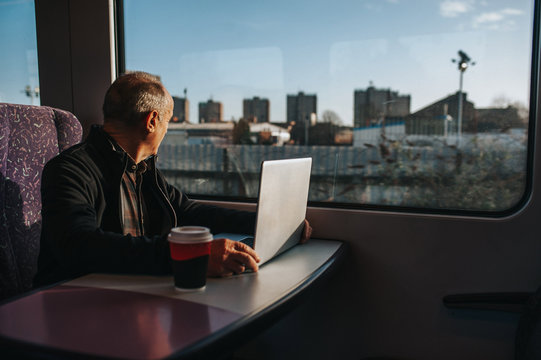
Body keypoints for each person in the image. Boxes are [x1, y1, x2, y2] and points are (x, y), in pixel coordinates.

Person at [34, 71, 311, 287]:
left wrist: (269, 224)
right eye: (168, 122)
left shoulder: (141, 169)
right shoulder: (70, 170)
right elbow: (80, 246)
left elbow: (187, 210)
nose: (167, 131)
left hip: (132, 290)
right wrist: (193, 255)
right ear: (152, 121)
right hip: (79, 303)